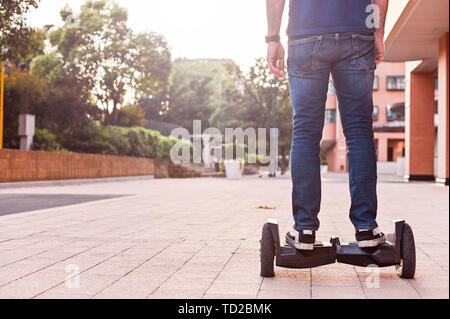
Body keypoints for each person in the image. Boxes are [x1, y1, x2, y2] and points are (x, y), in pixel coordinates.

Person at [265, 0, 389, 250]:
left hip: (305, 34)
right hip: (357, 32)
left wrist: (272, 38)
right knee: (359, 132)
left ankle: (304, 229)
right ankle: (366, 227)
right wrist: (378, 31)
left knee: (306, 132)